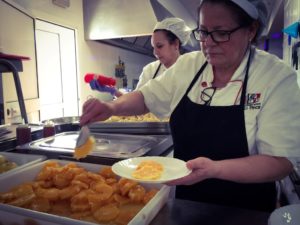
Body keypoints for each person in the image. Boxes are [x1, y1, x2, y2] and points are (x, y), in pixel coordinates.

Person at [80, 0, 300, 212]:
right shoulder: (189, 65)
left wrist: (215, 169)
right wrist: (112, 108)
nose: (209, 43)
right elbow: (145, 97)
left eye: (221, 33)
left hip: (247, 209)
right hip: (187, 202)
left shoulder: (276, 77)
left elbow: (280, 162)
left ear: (251, 30)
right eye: (203, 32)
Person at [89, 17, 191, 97]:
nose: (155, 52)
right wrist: (112, 90)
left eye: (159, 46)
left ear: (176, 44)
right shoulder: (150, 70)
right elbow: (134, 101)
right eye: (153, 47)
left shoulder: (191, 67)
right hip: (156, 123)